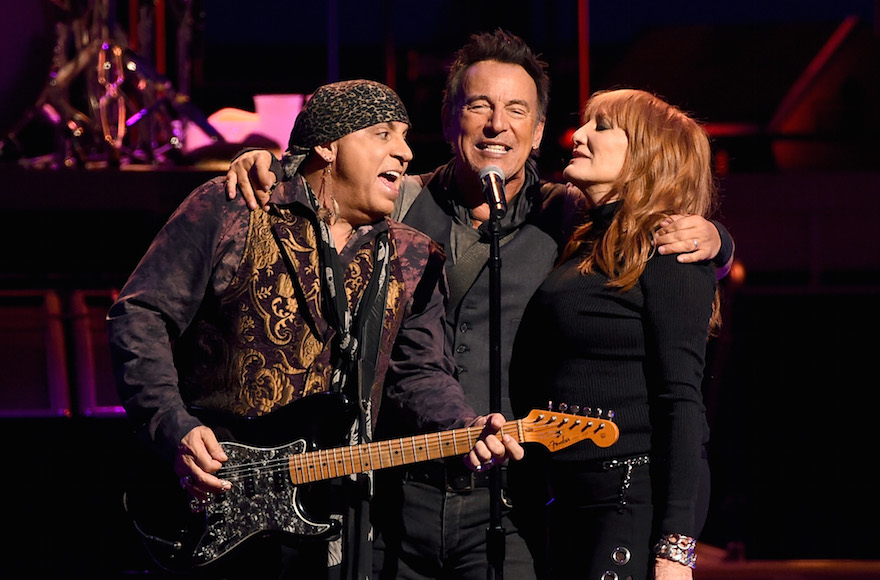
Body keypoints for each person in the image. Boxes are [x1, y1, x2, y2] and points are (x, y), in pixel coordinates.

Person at [225, 31, 733, 580]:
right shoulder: (397, 206)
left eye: (518, 110)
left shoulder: (565, 216)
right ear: (448, 121)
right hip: (396, 501)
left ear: (538, 133)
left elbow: (645, 240)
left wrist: (716, 241)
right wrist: (271, 166)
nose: (498, 124)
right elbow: (322, 200)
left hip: (513, 505)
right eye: (479, 106)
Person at [107, 79, 521, 580]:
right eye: (383, 134)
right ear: (327, 145)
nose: (406, 151)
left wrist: (461, 425)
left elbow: (420, 373)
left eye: (407, 138)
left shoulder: (412, 257)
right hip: (206, 493)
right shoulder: (236, 206)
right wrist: (174, 426)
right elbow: (141, 315)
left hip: (329, 514)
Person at [509, 88, 721, 580]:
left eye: (601, 127)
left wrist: (676, 549)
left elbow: (682, 402)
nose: (578, 135)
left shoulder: (668, 248)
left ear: (647, 152)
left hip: (627, 498)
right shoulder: (587, 239)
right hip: (570, 499)